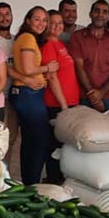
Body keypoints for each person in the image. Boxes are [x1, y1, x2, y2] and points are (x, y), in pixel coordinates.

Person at [10, 7, 54, 184]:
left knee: (29, 141)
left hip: (27, 94)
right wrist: (48, 68)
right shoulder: (28, 38)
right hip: (28, 95)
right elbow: (28, 69)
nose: (41, 23)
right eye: (37, 19)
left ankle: (28, 183)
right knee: (39, 142)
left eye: (44, 20)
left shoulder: (28, 38)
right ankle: (33, 184)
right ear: (28, 20)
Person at [42, 10, 80, 184]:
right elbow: (52, 77)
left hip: (70, 102)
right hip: (56, 104)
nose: (57, 26)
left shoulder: (60, 44)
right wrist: (64, 105)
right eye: (52, 22)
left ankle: (61, 178)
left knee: (64, 145)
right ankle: (54, 179)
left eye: (60, 23)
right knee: (54, 145)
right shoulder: (48, 45)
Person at [69, 0, 109, 111]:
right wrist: (94, 95)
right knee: (85, 128)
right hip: (85, 95)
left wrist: (101, 93)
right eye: (97, 11)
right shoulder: (77, 37)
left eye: (105, 12)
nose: (100, 15)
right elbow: (79, 67)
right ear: (90, 14)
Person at [0, 2, 19, 146]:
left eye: (7, 14)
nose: (4, 18)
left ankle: (5, 168)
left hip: (14, 94)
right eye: (0, 15)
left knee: (11, 136)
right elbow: (3, 68)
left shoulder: (17, 40)